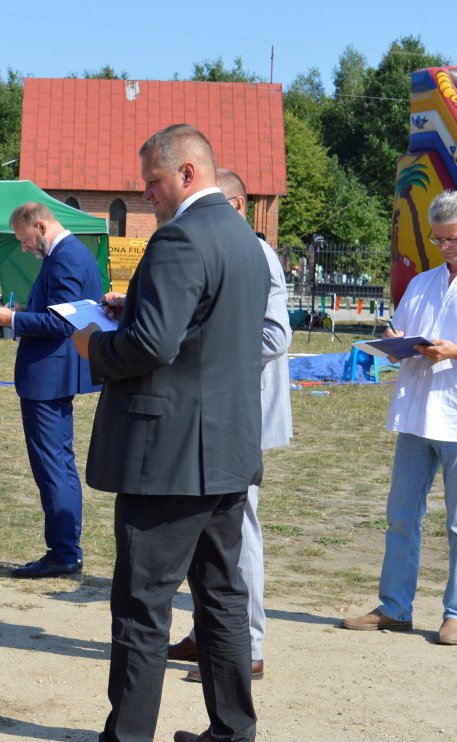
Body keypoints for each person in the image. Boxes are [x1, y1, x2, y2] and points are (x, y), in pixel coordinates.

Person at [41, 124, 268, 742]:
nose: (146, 195)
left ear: (188, 173)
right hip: (224, 448)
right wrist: (134, 308)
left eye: (153, 182)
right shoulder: (245, 240)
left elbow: (152, 346)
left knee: (143, 606)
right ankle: (233, 734)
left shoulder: (179, 238)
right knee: (222, 598)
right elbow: (199, 331)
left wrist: (92, 344)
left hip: (168, 455)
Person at [341, 190, 457, 646]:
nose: (444, 246)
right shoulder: (421, 283)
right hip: (417, 415)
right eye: (438, 239)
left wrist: (456, 353)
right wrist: (394, 341)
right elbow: (404, 336)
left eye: (452, 238)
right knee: (401, 516)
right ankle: (395, 607)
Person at [170, 168, 292, 683]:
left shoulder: (255, 252)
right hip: (214, 412)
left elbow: (275, 338)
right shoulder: (223, 247)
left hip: (240, 413)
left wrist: (205, 354)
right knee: (209, 535)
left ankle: (246, 648)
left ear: (237, 206)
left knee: (238, 533)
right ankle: (209, 633)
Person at [0, 202, 103, 578]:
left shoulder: (66, 257)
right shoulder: (70, 253)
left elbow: (63, 324)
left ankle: (64, 552)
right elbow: (58, 310)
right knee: (60, 464)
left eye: (23, 239)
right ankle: (66, 549)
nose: (23, 247)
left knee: (52, 466)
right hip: (53, 375)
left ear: (40, 225)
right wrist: (27, 308)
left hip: (48, 377)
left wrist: (14, 318)